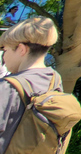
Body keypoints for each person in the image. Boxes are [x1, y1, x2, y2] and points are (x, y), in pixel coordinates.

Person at [0, 17, 61, 152]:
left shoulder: (7, 87)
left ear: (21, 49)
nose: (3, 57)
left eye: (6, 50)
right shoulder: (54, 79)